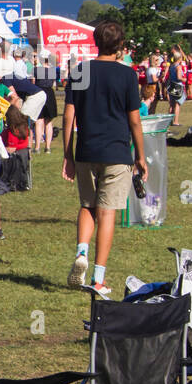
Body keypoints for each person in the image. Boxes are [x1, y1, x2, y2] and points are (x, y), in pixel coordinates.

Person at [62, 20, 146, 297]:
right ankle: (98, 278)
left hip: (86, 150)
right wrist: (141, 156)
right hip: (116, 152)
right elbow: (135, 121)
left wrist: (67, 154)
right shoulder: (127, 75)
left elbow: (69, 115)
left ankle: (81, 251)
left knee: (87, 205)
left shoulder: (81, 71)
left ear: (96, 41)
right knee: (107, 211)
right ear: (121, 46)